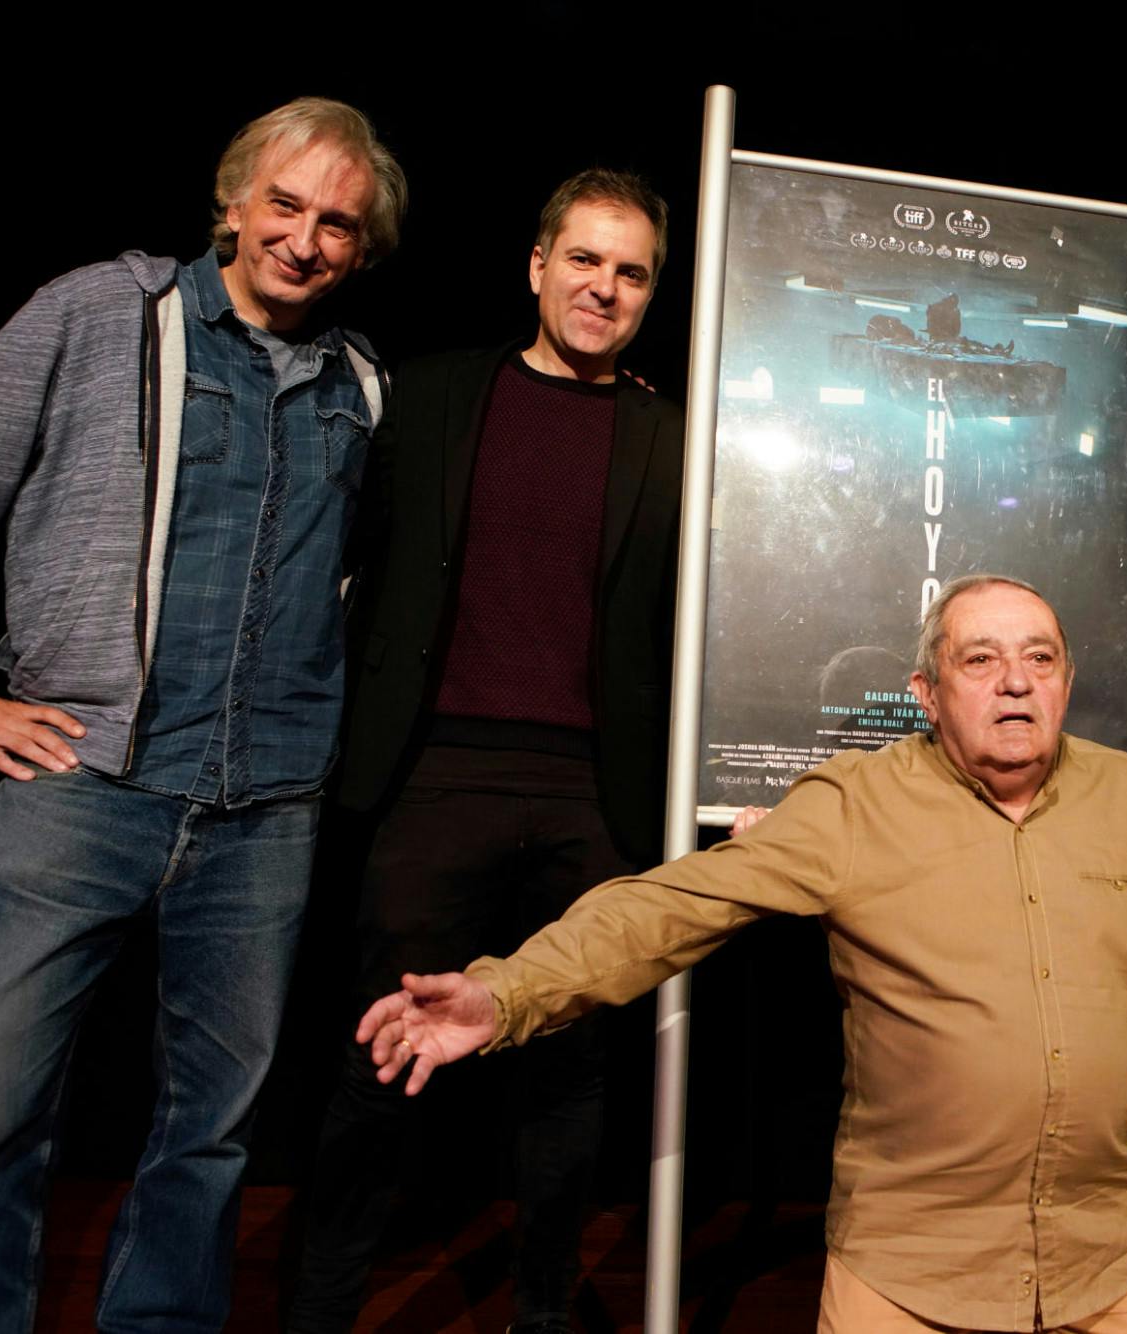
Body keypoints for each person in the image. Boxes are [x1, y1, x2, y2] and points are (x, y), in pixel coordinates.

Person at [347, 574, 1127, 1334]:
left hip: (1114, 1258)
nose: (1012, 683)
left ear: (1066, 681)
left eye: (1037, 657)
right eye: (979, 660)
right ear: (926, 690)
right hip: (910, 1266)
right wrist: (504, 992)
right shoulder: (849, 807)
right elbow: (667, 907)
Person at [0, 98, 405, 1332]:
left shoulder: (362, 382)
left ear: (361, 250)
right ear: (231, 202)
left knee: (209, 1138)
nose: (303, 237)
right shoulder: (100, 314)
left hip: (266, 811)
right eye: (283, 203)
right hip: (83, 785)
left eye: (337, 223)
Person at [285, 169, 682, 1334]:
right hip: (436, 777)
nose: (602, 287)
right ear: (536, 265)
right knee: (383, 1057)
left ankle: (542, 1310)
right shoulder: (436, 394)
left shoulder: (673, 434)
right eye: (584, 260)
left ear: (650, 291)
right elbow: (346, 566)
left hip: (592, 794)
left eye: (629, 270)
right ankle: (315, 1309)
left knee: (567, 1068)